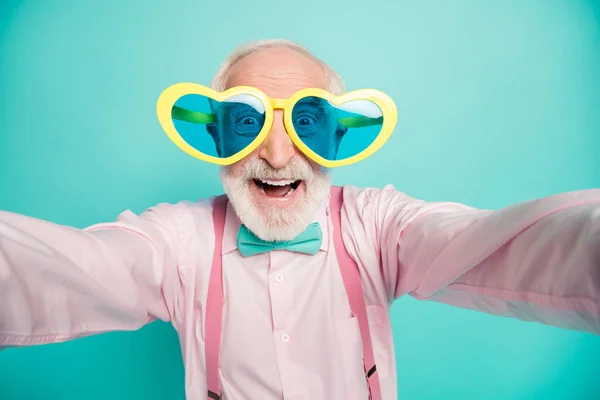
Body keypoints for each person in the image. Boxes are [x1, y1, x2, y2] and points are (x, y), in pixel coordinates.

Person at [0, 39, 598, 400]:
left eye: (305, 124)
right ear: (214, 135)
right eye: (247, 122)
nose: (280, 156)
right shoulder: (176, 241)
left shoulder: (377, 225)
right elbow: (64, 268)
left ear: (339, 134)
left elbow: (499, 245)